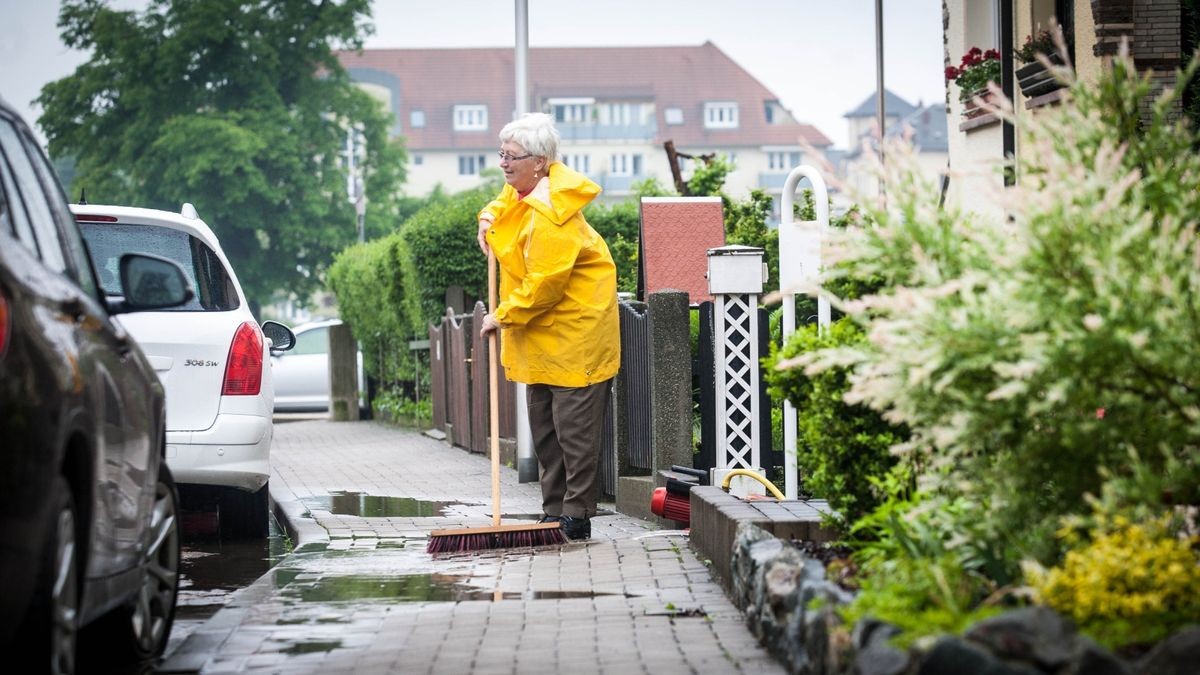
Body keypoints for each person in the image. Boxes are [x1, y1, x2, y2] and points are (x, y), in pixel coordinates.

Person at [477, 113, 620, 541]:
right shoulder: (527, 190)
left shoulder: (553, 215)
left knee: (575, 432)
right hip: (542, 337)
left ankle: (576, 515)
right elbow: (505, 198)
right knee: (545, 430)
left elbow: (545, 285)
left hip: (576, 334)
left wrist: (502, 315)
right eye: (501, 154)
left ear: (539, 162)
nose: (503, 164)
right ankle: (553, 510)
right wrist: (488, 217)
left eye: (511, 157)